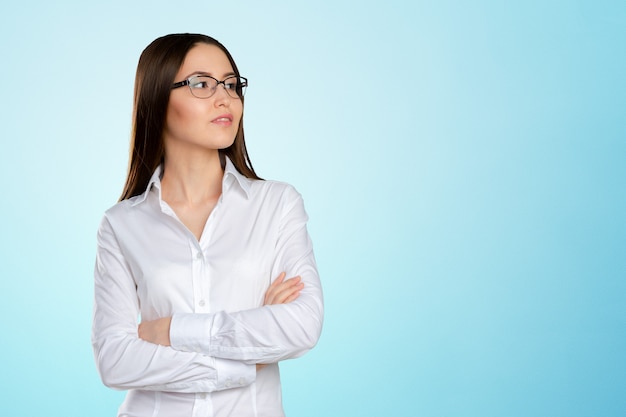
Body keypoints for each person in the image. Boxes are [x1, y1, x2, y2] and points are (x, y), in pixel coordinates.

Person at [92, 33, 324, 417]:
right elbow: (115, 359)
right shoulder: (120, 225)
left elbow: (302, 325)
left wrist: (169, 332)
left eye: (232, 85)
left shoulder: (278, 205)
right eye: (201, 84)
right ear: (157, 98)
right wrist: (245, 359)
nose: (225, 98)